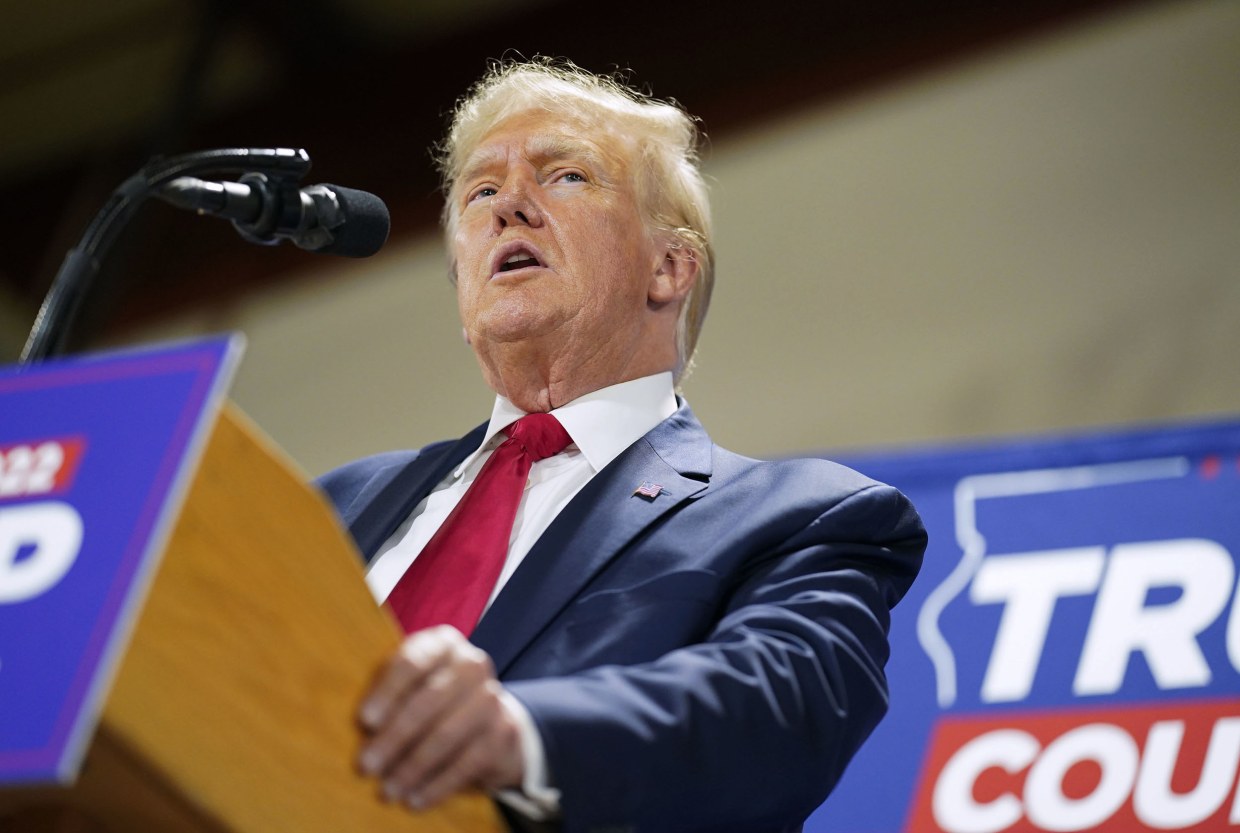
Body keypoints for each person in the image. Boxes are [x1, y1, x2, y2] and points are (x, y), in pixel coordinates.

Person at [318, 58, 926, 833]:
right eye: (479, 192)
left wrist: (521, 735)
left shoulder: (801, 517)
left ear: (669, 267)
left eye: (564, 176)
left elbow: (775, 707)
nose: (509, 206)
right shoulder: (333, 504)